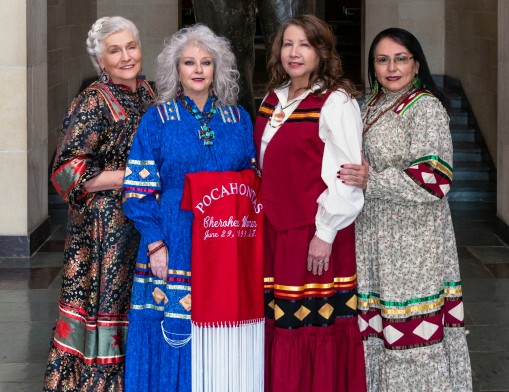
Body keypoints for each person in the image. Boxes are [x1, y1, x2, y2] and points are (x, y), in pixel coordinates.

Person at [121, 24, 259, 392]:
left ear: (218, 69)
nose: (198, 69)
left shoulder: (238, 119)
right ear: (175, 70)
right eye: (188, 62)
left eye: (206, 62)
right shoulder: (157, 120)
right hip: (174, 241)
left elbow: (253, 182)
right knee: (172, 333)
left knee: (222, 328)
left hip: (225, 248)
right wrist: (154, 242)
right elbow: (137, 191)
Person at [338, 27, 473, 391]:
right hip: (373, 235)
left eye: (401, 59)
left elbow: (435, 177)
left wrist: (372, 180)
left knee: (411, 334)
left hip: (413, 241)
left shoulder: (425, 107)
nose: (391, 67)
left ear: (416, 64)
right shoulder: (370, 106)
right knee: (378, 329)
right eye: (382, 60)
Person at [254, 14, 367, 391]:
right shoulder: (273, 98)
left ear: (321, 50)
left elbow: (347, 177)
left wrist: (326, 232)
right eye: (288, 44)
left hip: (311, 232)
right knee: (277, 321)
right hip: (274, 230)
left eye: (304, 44)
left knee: (307, 326)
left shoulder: (336, 101)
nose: (294, 52)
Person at [44, 16, 156, 391]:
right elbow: (66, 171)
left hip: (141, 224)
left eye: (131, 46)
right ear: (101, 61)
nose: (126, 56)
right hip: (102, 232)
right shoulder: (93, 100)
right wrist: (132, 174)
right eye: (115, 51)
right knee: (106, 305)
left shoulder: (149, 94)